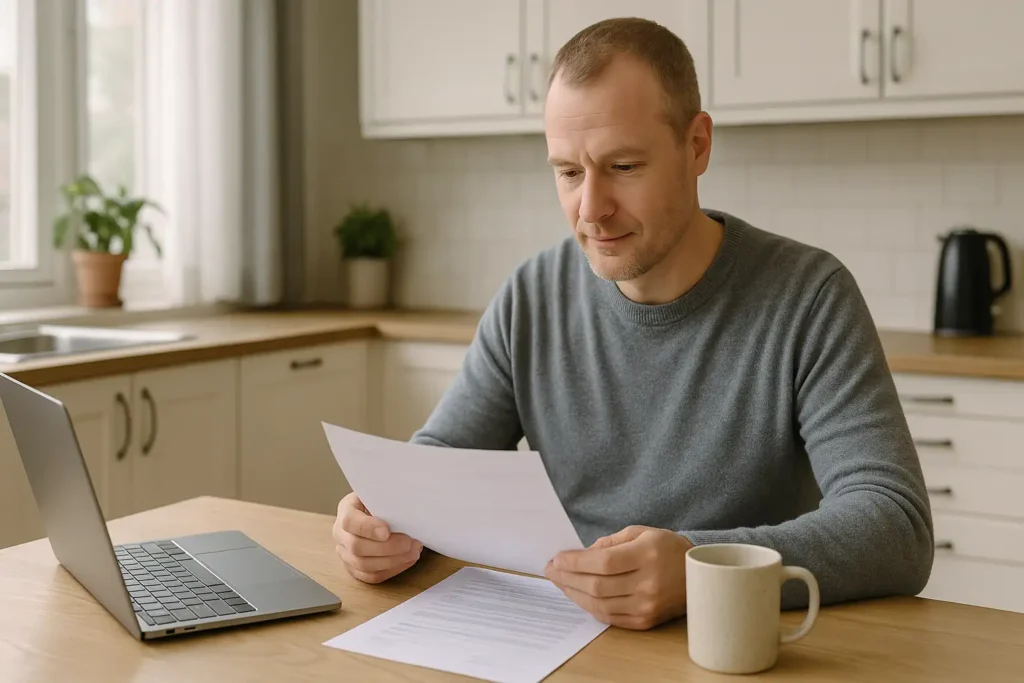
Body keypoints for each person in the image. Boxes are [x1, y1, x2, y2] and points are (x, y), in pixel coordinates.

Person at [332, 17, 934, 631]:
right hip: (562, 636)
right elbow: (439, 463)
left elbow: (895, 524)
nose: (591, 209)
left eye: (622, 166)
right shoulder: (531, 296)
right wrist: (381, 520)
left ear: (696, 145)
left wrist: (704, 566)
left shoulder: (808, 296)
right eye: (568, 172)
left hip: (730, 644)